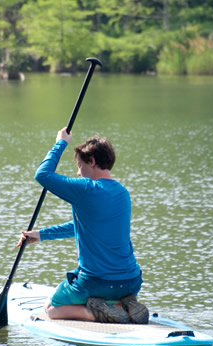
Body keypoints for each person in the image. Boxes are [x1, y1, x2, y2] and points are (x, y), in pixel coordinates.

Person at [16, 127, 148, 324]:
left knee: (51, 308)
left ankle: (96, 313)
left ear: (92, 161)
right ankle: (122, 304)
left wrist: (61, 142)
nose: (78, 173)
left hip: (97, 283)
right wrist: (42, 234)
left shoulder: (85, 188)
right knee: (112, 288)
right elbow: (84, 225)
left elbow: (42, 175)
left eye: (79, 165)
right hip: (131, 282)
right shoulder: (122, 193)